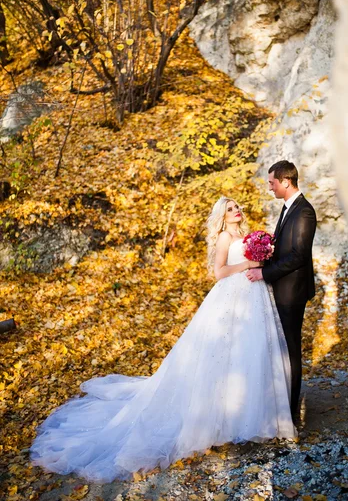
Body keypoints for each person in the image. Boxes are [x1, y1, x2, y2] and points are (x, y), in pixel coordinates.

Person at [30, 197, 296, 483]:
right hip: (231, 297)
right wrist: (248, 263)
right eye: (230, 209)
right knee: (222, 356)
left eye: (237, 207)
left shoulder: (247, 234)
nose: (236, 211)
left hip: (254, 296)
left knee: (250, 354)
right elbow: (219, 273)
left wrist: (260, 258)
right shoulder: (222, 237)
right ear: (222, 215)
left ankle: (247, 417)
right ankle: (216, 422)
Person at [247, 161, 317, 420]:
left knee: (291, 349)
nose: (270, 187)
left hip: (292, 292)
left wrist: (263, 273)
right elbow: (286, 249)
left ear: (286, 182)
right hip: (282, 287)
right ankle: (281, 405)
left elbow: (299, 255)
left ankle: (290, 412)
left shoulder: (304, 212)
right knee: (283, 348)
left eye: (272, 182)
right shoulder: (289, 208)